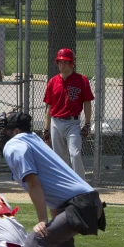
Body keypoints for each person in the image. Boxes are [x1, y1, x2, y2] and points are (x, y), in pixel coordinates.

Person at [0, 112, 105, 247]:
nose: (4, 134)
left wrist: (42, 220)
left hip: (79, 205)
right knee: (59, 240)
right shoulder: (35, 140)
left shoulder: (16, 145)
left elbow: (33, 183)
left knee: (35, 242)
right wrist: (52, 217)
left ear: (17, 131)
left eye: (7, 130)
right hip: (87, 202)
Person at [42, 48, 94, 180]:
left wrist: (88, 123)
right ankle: (64, 185)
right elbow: (49, 107)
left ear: (72, 63)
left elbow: (87, 103)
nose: (62, 64)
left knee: (75, 154)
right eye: (59, 62)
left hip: (73, 123)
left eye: (65, 62)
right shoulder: (53, 81)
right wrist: (46, 128)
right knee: (59, 158)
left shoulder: (81, 80)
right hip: (55, 122)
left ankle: (81, 185)